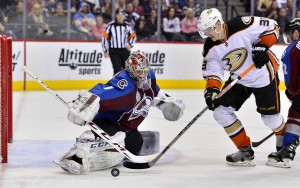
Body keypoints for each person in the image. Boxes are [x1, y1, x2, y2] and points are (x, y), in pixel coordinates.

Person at [55, 51, 185, 174]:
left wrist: (166, 101)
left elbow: (154, 92)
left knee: (136, 146)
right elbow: (103, 91)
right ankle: (77, 155)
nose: (142, 74)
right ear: (129, 69)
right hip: (108, 123)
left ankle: (112, 148)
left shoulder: (149, 77)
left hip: (129, 129)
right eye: (138, 71)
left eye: (144, 70)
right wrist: (86, 104)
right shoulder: (124, 83)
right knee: (114, 141)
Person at [198, 8, 285, 166]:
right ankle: (245, 150)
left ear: (218, 24)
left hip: (263, 76)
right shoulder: (210, 47)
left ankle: (285, 146)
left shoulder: (241, 25)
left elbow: (273, 26)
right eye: (204, 31)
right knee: (220, 111)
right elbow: (213, 72)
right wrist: (212, 91)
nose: (206, 34)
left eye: (208, 29)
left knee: (271, 119)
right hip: (239, 80)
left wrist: (262, 46)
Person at [267, 18, 300, 168]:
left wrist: (293, 93)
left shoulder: (293, 48)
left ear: (296, 32)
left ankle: (287, 152)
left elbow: (292, 77)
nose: (289, 39)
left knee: (295, 114)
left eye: (289, 35)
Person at [102, 8, 137, 76]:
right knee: (117, 69)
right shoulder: (110, 26)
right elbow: (105, 38)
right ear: (116, 15)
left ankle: (127, 85)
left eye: (122, 14)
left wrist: (130, 44)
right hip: (114, 51)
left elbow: (133, 36)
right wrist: (105, 50)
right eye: (118, 14)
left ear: (124, 16)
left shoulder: (127, 25)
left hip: (125, 51)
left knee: (128, 69)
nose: (120, 16)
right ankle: (116, 85)